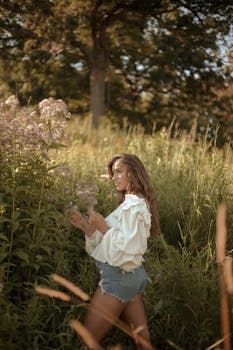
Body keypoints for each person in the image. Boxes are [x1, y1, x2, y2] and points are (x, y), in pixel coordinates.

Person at [68, 153, 159, 349]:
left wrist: (103, 226)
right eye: (112, 173)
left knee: (86, 343)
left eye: (118, 172)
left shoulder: (134, 205)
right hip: (131, 277)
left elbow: (129, 248)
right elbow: (111, 244)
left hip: (119, 277)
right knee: (143, 344)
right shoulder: (130, 204)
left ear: (132, 173)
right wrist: (86, 226)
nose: (113, 177)